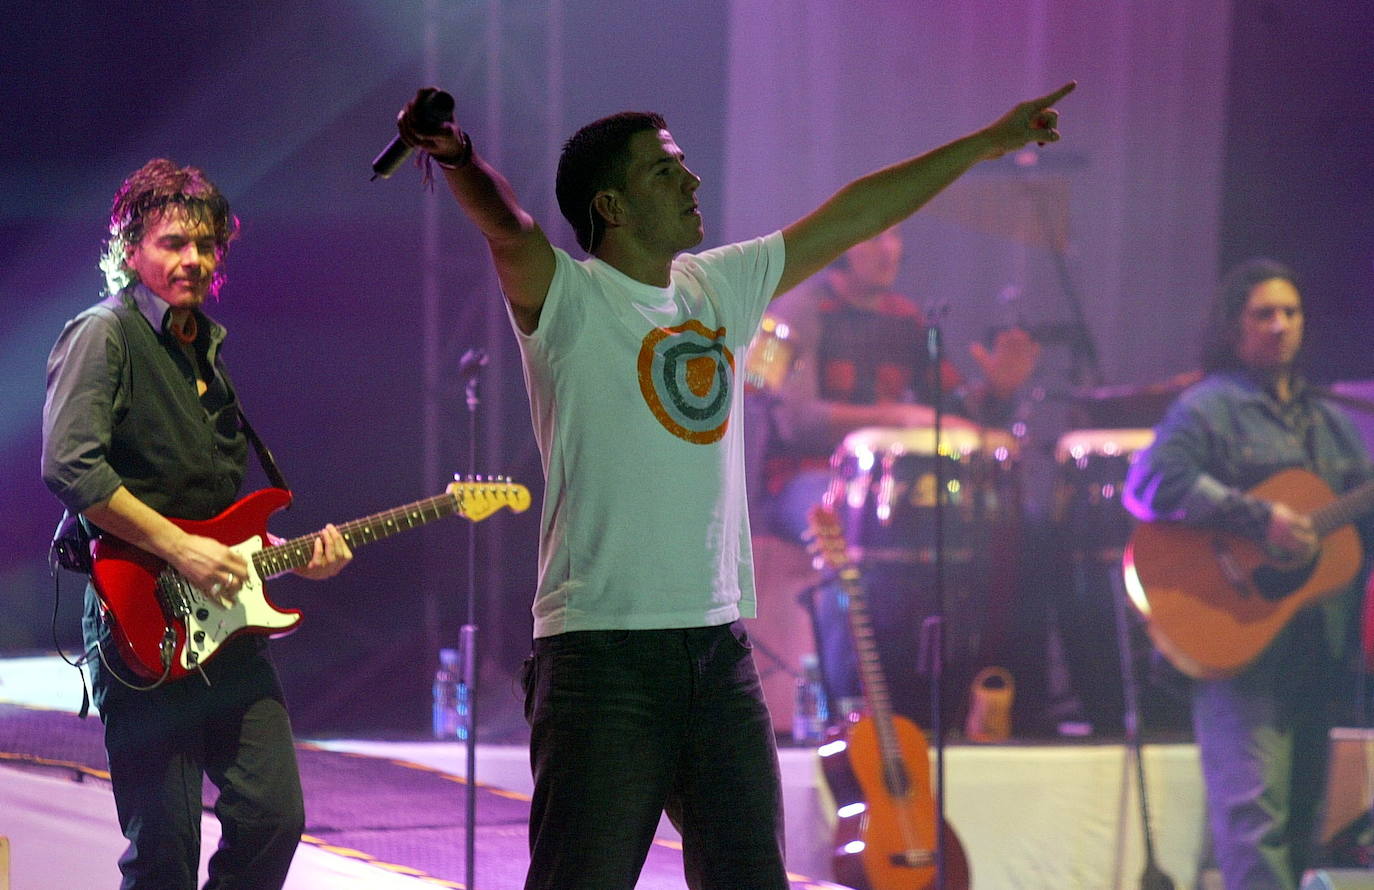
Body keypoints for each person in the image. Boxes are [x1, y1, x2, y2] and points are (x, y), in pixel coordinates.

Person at [395, 79, 1074, 889]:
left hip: (717, 652)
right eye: (664, 171)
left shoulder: (719, 287)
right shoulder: (572, 301)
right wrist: (462, 158)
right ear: (610, 205)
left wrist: (982, 144)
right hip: (602, 657)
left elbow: (857, 213)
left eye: (683, 166)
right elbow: (509, 228)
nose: (692, 182)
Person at [42, 158, 353, 889]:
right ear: (130, 249)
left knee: (274, 818)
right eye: (174, 242)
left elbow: (215, 516)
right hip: (138, 616)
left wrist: (286, 553)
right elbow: (72, 467)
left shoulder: (204, 351)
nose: (193, 259)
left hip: (226, 626)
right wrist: (178, 548)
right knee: (165, 850)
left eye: (206, 245)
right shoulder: (104, 334)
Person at [1124, 258, 1374, 889]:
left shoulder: (1335, 425)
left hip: (1319, 643)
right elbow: (1152, 483)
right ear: (1233, 327)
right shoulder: (1209, 409)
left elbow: (1351, 527)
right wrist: (1258, 518)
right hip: (1239, 635)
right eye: (1263, 313)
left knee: (1300, 824)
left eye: (1290, 312)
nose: (1280, 325)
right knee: (1254, 821)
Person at [751, 226, 1040, 725]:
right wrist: (894, 416)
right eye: (873, 238)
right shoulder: (792, 314)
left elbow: (949, 412)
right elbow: (793, 419)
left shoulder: (907, 319)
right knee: (852, 532)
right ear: (839, 247)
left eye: (895, 238)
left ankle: (970, 699)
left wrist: (994, 391)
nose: (889, 250)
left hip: (888, 488)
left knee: (1009, 529)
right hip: (804, 482)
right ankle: (848, 707)